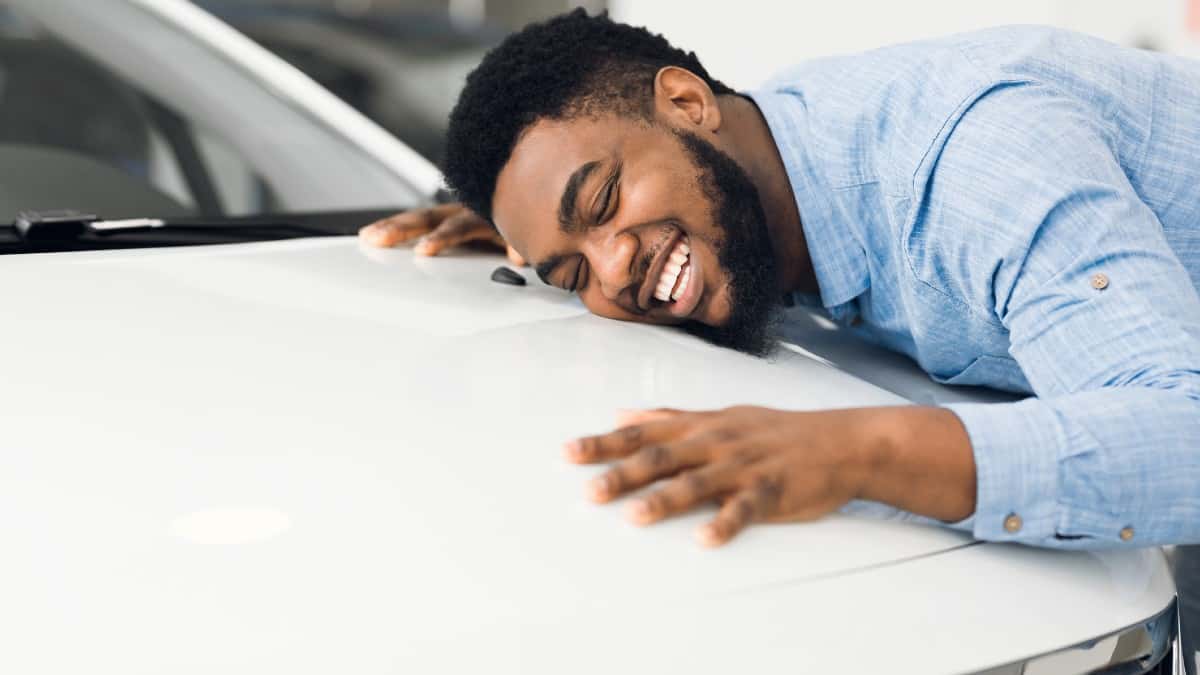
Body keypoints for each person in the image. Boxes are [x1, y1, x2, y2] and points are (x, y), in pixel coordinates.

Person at [361, 8, 1199, 564]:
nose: (614, 268)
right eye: (575, 269)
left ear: (687, 102)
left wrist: (856, 450)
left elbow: (1182, 436)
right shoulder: (755, 169)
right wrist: (550, 233)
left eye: (604, 202)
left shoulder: (976, 163)